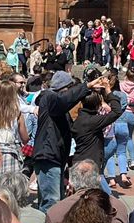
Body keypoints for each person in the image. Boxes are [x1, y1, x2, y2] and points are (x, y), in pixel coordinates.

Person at [32, 71, 99, 212]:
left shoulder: (56, 104)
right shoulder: (50, 97)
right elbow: (64, 101)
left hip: (54, 156)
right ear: (65, 88)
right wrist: (85, 86)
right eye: (70, 88)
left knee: (54, 201)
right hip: (48, 156)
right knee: (52, 203)